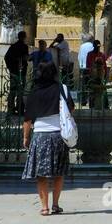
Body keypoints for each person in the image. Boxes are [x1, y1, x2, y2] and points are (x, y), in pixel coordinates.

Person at [22, 60, 74, 215]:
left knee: (41, 174)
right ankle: (56, 204)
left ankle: (44, 207)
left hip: (40, 136)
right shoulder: (62, 89)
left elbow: (27, 119)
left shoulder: (34, 92)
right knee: (58, 172)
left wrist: (26, 137)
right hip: (59, 135)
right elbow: (71, 109)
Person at [4, 31, 30, 116]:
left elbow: (6, 57)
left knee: (12, 91)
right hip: (21, 72)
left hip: (14, 72)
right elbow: (26, 58)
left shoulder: (13, 47)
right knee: (20, 91)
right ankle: (19, 110)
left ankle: (10, 110)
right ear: (24, 37)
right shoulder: (24, 47)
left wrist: (10, 68)